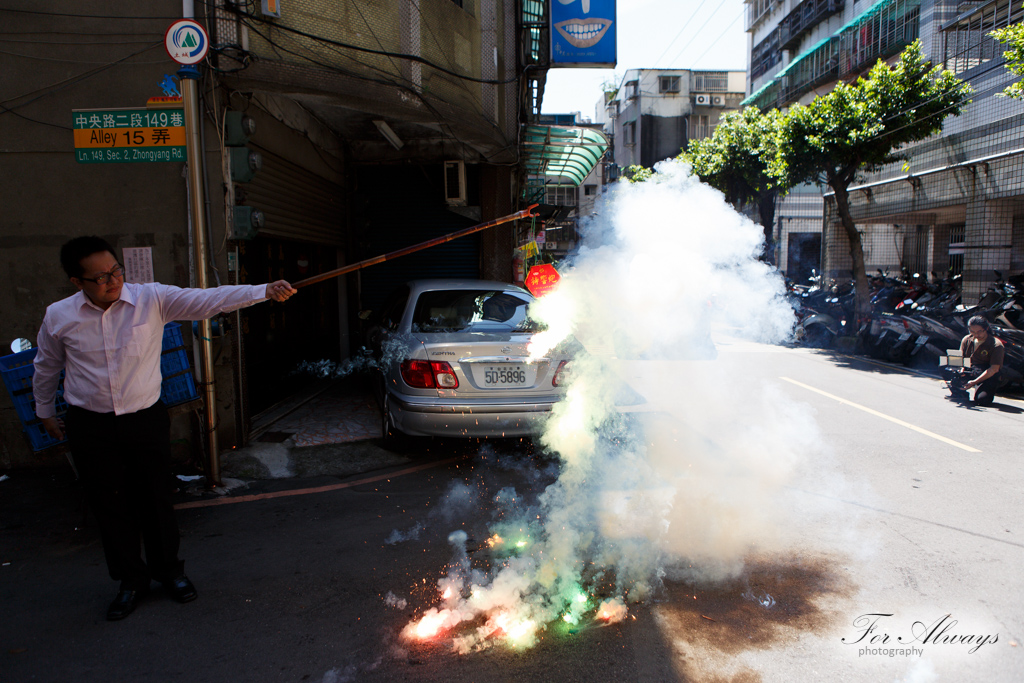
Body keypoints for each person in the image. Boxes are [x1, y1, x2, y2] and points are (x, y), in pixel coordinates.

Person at [33, 236, 297, 621]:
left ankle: (170, 573)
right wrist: (44, 411)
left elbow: (209, 299)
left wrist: (262, 291)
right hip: (90, 423)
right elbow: (46, 365)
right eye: (101, 277)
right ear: (78, 283)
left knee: (156, 498)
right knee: (110, 505)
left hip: (144, 418)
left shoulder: (150, 298)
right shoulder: (60, 316)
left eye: (116, 270)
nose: (113, 281)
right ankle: (130, 581)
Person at [952, 315, 1004, 406]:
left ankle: (981, 388)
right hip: (970, 369)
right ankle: (960, 393)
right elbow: (960, 358)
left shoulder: (996, 345)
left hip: (986, 374)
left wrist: (974, 382)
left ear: (986, 329)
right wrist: (960, 369)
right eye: (972, 331)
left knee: (982, 401)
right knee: (945, 367)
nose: (976, 335)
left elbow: (994, 369)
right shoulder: (967, 339)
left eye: (979, 332)